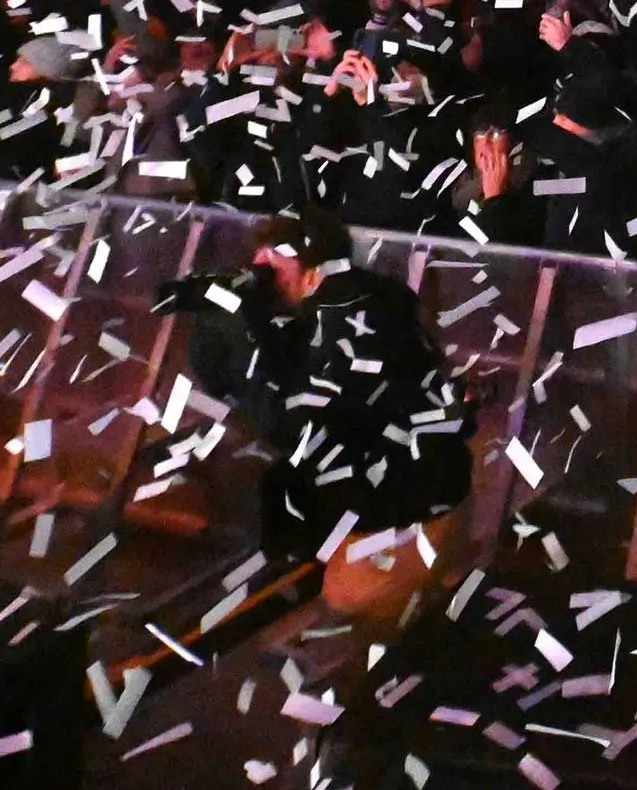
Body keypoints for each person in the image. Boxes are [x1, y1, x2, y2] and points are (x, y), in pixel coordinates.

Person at [189, 202, 475, 570]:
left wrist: (242, 329)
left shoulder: (352, 318)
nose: (263, 281)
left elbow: (290, 425)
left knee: (276, 484)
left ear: (312, 272)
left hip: (405, 498)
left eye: (272, 269)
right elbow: (219, 379)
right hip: (395, 478)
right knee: (272, 483)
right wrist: (220, 321)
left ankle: (297, 587)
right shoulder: (338, 305)